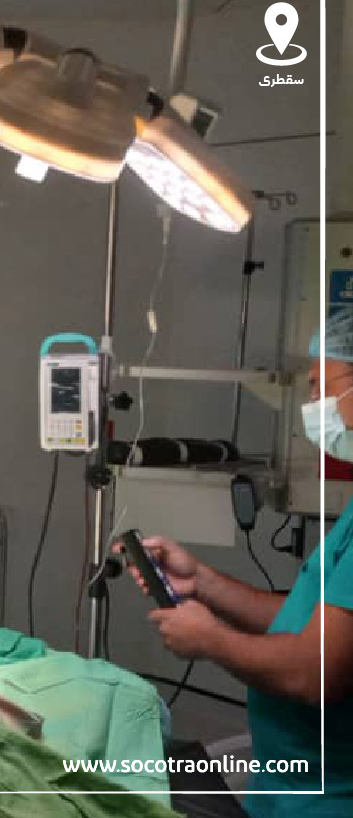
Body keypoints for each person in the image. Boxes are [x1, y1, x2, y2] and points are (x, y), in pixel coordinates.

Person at [121, 307, 353, 818]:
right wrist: (201, 581)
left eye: (321, 386)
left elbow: (314, 672)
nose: (312, 404)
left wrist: (210, 640)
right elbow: (306, 621)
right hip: (285, 790)